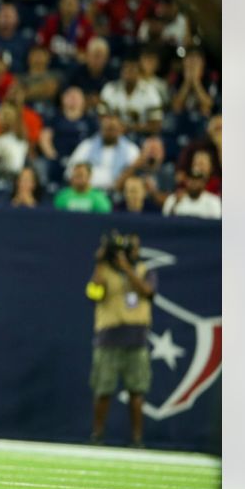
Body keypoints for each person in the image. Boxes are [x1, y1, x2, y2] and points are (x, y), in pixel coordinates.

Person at [86, 231, 156, 447]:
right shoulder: (105, 270)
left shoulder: (145, 270)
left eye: (133, 248)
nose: (130, 252)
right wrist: (99, 262)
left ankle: (137, 439)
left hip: (136, 338)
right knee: (103, 390)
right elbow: (95, 294)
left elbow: (148, 292)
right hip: (108, 338)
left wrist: (127, 268)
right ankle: (97, 435)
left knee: (137, 391)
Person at [66, 113, 139, 191]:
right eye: (107, 128)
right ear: (101, 129)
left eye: (113, 129)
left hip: (118, 192)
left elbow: (136, 176)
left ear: (121, 129)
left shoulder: (131, 149)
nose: (110, 132)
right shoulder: (87, 146)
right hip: (89, 192)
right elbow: (70, 172)